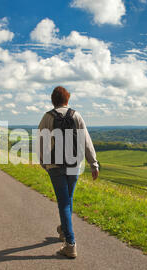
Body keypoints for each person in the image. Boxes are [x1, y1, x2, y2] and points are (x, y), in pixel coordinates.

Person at [37, 86, 99, 259]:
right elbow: (86, 140)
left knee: (64, 202)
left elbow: (41, 143)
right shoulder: (76, 115)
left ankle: (70, 244)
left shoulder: (47, 117)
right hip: (74, 165)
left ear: (53, 100)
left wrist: (44, 163)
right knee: (68, 200)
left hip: (55, 166)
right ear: (67, 99)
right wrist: (93, 164)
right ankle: (64, 231)